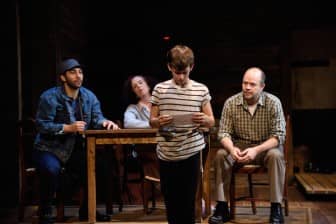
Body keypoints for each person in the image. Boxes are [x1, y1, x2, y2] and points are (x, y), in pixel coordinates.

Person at [33, 58, 120, 224]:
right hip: (49, 148)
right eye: (72, 72)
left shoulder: (89, 97)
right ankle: (45, 212)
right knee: (51, 169)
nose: (78, 76)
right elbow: (42, 125)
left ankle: (87, 210)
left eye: (80, 72)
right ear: (63, 77)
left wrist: (105, 123)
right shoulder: (49, 97)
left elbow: (97, 118)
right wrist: (68, 128)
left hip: (74, 149)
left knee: (100, 166)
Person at [208, 67, 286, 224]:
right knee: (221, 155)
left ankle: (276, 208)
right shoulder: (231, 103)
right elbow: (223, 133)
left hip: (264, 148)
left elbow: (279, 136)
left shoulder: (273, 102)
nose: (247, 87)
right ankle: (222, 208)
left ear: (262, 86)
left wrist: (256, 150)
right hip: (239, 147)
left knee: (276, 155)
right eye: (245, 83)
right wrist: (232, 149)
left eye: (252, 84)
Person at [150, 44, 215, 224]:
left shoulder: (200, 90)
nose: (180, 77)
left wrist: (204, 119)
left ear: (191, 67)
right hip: (167, 153)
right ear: (169, 67)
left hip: (190, 152)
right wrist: (158, 122)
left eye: (184, 73)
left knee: (188, 202)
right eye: (176, 72)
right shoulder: (160, 89)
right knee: (171, 202)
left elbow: (212, 121)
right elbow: (152, 121)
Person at [122, 74, 160, 192]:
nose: (138, 86)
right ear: (134, 92)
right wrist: (153, 124)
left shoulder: (160, 103)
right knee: (150, 155)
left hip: (164, 143)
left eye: (140, 82)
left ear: (148, 85)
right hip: (146, 147)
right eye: (134, 86)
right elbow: (128, 123)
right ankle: (164, 187)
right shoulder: (133, 108)